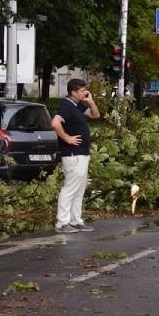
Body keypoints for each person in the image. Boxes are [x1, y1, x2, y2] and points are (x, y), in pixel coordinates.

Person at [51, 78, 101, 233]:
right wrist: (67, 138)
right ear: (73, 92)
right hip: (73, 154)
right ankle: (62, 222)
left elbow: (95, 115)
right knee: (70, 188)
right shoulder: (66, 105)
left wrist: (90, 101)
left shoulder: (77, 105)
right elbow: (55, 123)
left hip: (82, 153)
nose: (85, 92)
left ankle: (76, 220)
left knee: (79, 189)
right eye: (81, 90)